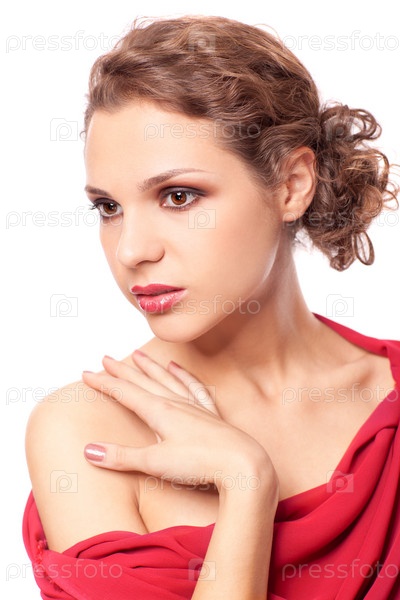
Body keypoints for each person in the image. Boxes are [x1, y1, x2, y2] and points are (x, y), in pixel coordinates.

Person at [23, 15, 400, 600]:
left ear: (291, 185)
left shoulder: (389, 400)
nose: (131, 250)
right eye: (108, 207)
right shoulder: (87, 430)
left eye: (178, 196)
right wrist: (246, 482)